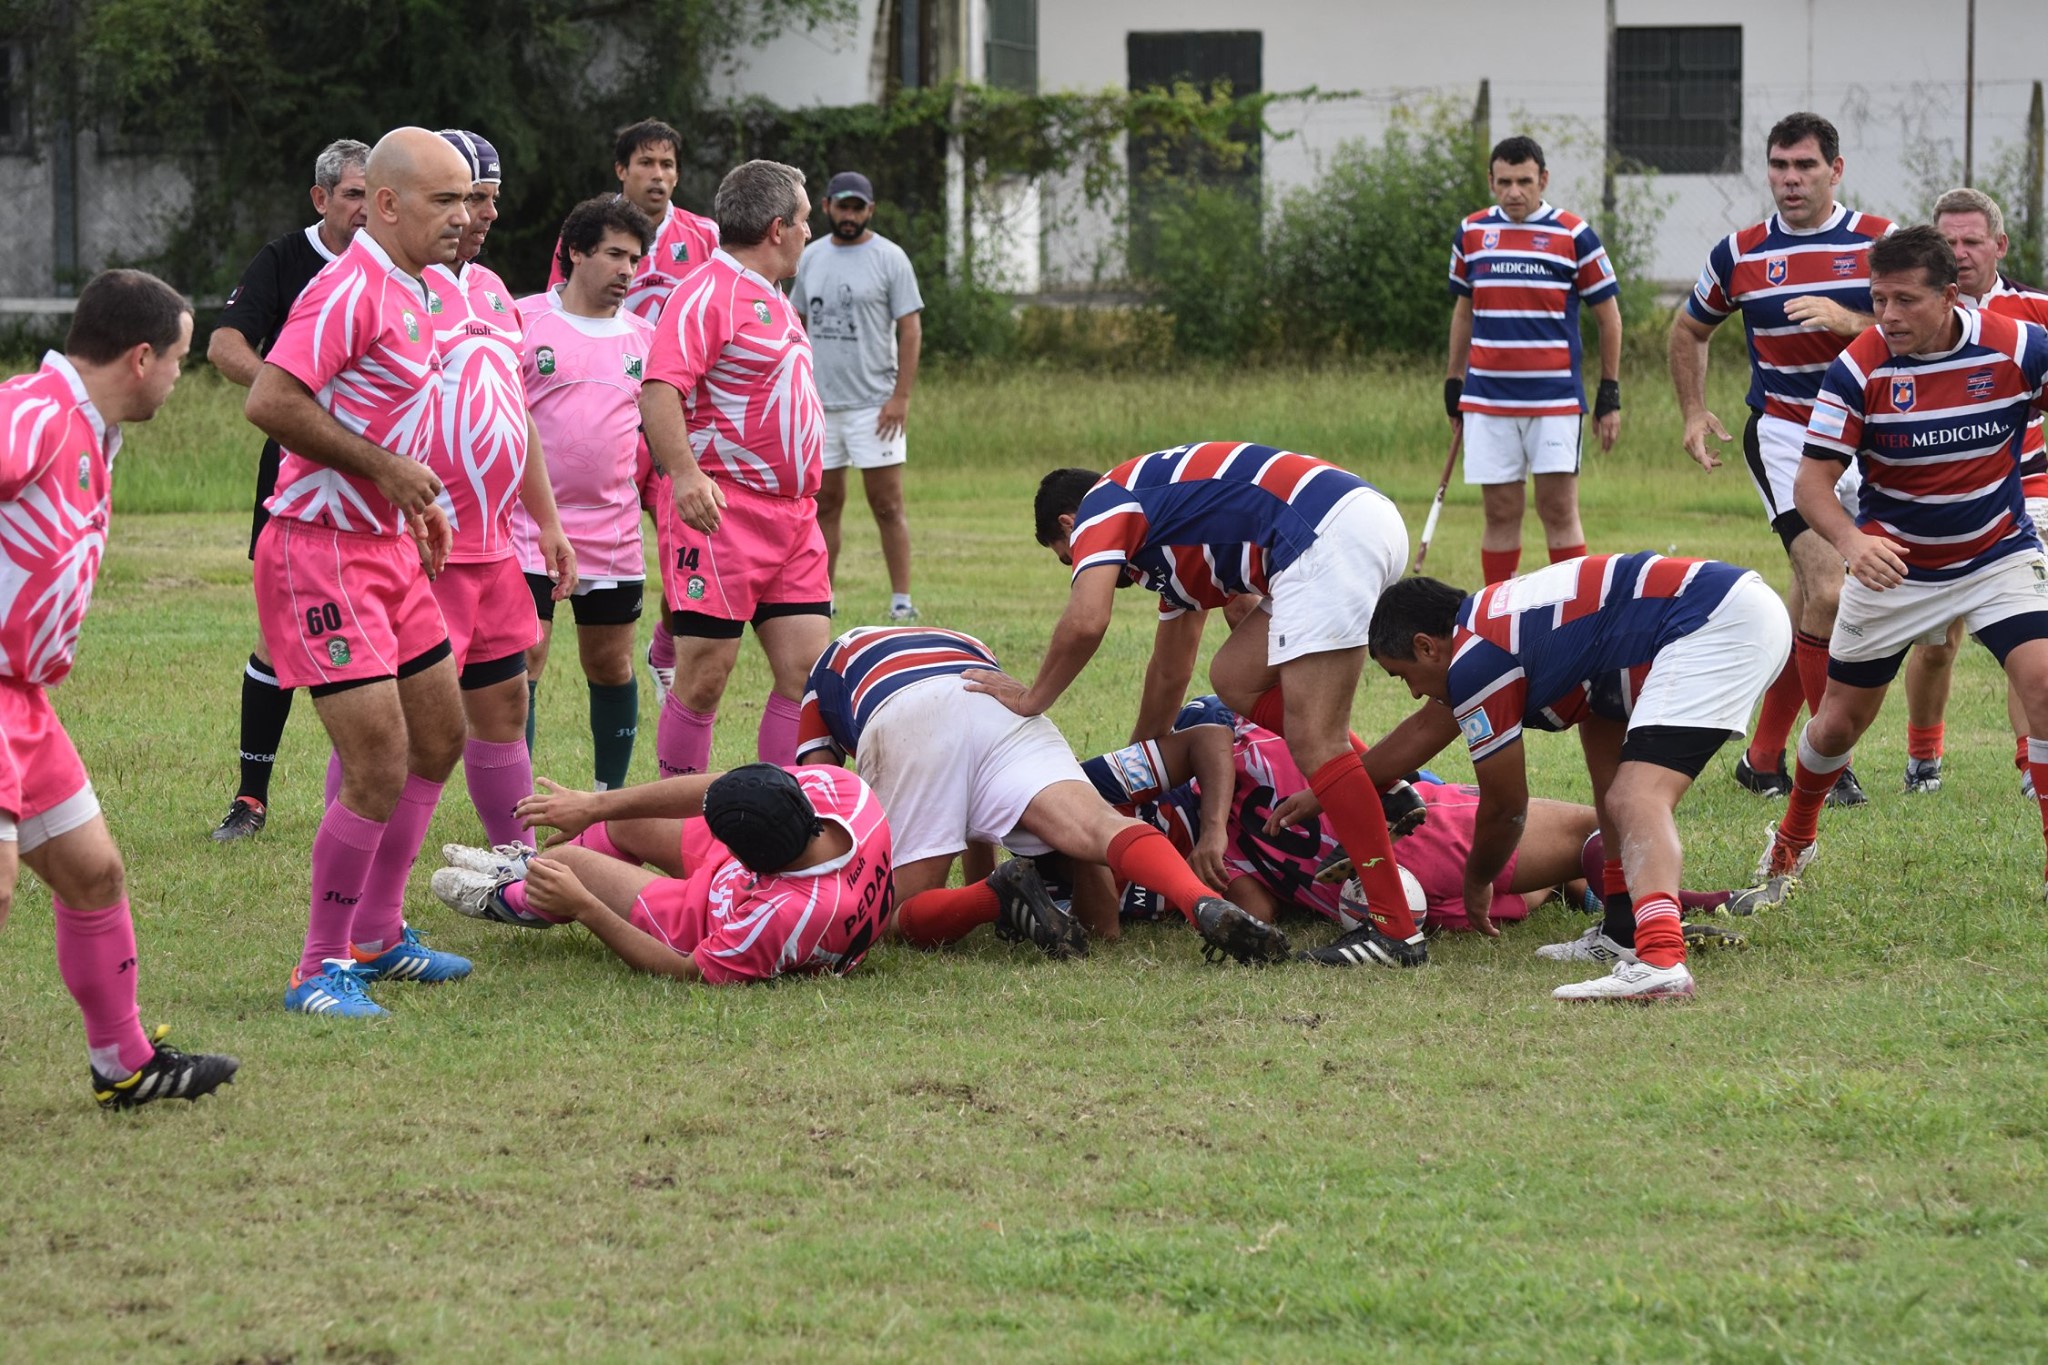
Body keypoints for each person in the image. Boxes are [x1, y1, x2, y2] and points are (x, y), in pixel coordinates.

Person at [1003, 442, 1425, 968]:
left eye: (1066, 555)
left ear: (1069, 524)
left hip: (1324, 535)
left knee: (1316, 739)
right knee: (1234, 677)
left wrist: (1031, 698)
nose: (1077, 563)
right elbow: (1171, 669)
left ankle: (1395, 932)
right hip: (1343, 522)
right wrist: (1146, 775)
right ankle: (1384, 788)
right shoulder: (1164, 537)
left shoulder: (1102, 506)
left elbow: (1087, 619)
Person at [245, 126, 480, 1019]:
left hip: (385, 548)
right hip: (318, 549)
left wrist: (417, 501)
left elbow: (389, 415)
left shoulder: (419, 287)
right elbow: (270, 400)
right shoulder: (347, 287)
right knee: (376, 762)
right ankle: (318, 964)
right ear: (385, 204)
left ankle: (379, 935)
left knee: (441, 734)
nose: (464, 217)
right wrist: (382, 470)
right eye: (444, 201)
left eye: (467, 199)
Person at [1748, 226, 2048, 905]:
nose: (1887, 315)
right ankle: (1795, 835)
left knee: (2044, 683)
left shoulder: (2016, 345)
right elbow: (1812, 484)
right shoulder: (1859, 366)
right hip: (1896, 568)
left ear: (1949, 296)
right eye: (1877, 299)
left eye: (1904, 300)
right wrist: (1854, 546)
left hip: (1996, 551)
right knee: (1835, 726)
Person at [0, 268, 239, 1106]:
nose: (180, 377)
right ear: (141, 358)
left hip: (22, 703)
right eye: (179, 359)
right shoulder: (32, 412)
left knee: (94, 873)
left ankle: (125, 1062)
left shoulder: (89, 428)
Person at [1669, 110, 1952, 807]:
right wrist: (1693, 410)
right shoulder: (1739, 252)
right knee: (1828, 587)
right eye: (1779, 166)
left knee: (1809, 598)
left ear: (1836, 170)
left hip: (1876, 437)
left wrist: (1851, 320)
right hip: (1787, 436)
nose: (1790, 180)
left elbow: (1929, 325)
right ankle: (1830, 762)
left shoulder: (1879, 241)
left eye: (1805, 167)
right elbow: (1689, 328)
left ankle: (1763, 755)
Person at [1369, 552, 1791, 1000]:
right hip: (1718, 608)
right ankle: (1623, 929)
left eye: (1403, 677)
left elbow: (1507, 806)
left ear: (1425, 646)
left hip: (1715, 622)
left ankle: (1661, 959)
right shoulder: (1483, 631)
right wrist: (1327, 790)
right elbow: (1423, 728)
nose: (1414, 691)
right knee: (1607, 761)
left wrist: (1476, 880)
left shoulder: (1475, 659)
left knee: (1636, 797)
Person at [796, 625, 1288, 964]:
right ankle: (1198, 899)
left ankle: (993, 898)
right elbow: (971, 786)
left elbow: (821, 795)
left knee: (898, 915)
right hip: (993, 701)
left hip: (906, 714)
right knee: (1103, 828)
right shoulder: (964, 641)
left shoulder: (823, 674)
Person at [641, 160, 832, 784]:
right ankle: (676, 820)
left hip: (795, 519)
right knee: (704, 675)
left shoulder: (774, 298)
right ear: (778, 228)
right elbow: (660, 389)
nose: (811, 232)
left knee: (808, 679)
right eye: (806, 221)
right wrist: (686, 474)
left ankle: (778, 816)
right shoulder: (707, 292)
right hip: (725, 512)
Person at [411, 129, 576, 849]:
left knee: (504, 701)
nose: (484, 214)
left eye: (491, 199)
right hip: (426, 547)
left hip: (496, 546)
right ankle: (368, 897)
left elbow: (518, 415)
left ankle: (516, 863)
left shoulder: (491, 289)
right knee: (410, 723)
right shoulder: (398, 285)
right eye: (472, 198)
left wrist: (547, 523)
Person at [205, 137, 370, 841]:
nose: (368, 209)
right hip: (299, 472)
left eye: (377, 193)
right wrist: (289, 389)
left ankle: (366, 790)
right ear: (322, 198)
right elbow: (223, 345)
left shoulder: (406, 266)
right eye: (356, 194)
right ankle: (251, 798)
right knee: (280, 633)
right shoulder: (287, 260)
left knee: (384, 630)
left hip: (385, 476)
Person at [432, 763, 893, 983]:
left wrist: (585, 908)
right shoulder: (843, 791)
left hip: (708, 916)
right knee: (626, 817)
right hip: (778, 874)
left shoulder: (781, 914)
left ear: (747, 864)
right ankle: (535, 872)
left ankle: (514, 892)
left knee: (571, 868)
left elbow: (687, 971)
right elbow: (717, 789)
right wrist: (594, 806)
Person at [516, 196, 659, 791]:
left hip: (614, 532)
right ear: (575, 252)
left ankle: (607, 799)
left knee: (610, 664)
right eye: (615, 254)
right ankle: (515, 804)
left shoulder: (648, 339)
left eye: (635, 258)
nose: (628, 270)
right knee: (524, 663)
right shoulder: (522, 321)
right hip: (526, 528)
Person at [1445, 135, 1622, 585]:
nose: (1514, 192)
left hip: (1555, 399)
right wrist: (1454, 380)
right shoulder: (1472, 233)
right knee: (1500, 511)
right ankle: (1499, 618)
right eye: (1504, 182)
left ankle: (1571, 617)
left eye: (1524, 181)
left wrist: (1609, 392)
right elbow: (1464, 311)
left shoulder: (1574, 235)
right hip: (1487, 399)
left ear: (1543, 179)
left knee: (1558, 508)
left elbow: (1608, 318)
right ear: (1491, 181)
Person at [1933, 188, 2048, 794]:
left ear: (1999, 245)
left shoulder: (2034, 311)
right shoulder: (1909, 314)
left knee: (2029, 618)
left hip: (2027, 486)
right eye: (1947, 242)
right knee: (1935, 644)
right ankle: (1923, 757)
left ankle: (2033, 760)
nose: (1959, 253)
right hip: (1935, 501)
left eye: (1971, 241)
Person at [792, 170, 925, 622]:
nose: (849, 215)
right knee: (825, 503)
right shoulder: (809, 257)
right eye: (841, 206)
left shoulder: (890, 258)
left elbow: (910, 329)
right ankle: (821, 596)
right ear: (826, 205)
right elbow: (796, 323)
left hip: (875, 404)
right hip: (821, 404)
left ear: (869, 210)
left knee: (887, 504)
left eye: (858, 207)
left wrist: (900, 396)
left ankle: (901, 599)